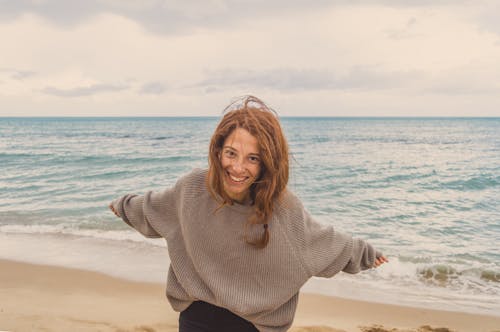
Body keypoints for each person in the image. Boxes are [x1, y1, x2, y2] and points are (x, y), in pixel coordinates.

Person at [109, 95, 388, 332]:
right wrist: (123, 205)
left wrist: (363, 253)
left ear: (267, 162)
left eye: (252, 158)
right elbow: (154, 208)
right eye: (231, 153)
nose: (238, 168)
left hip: (252, 327)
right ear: (217, 151)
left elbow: (323, 242)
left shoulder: (283, 209)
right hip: (196, 319)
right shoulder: (194, 188)